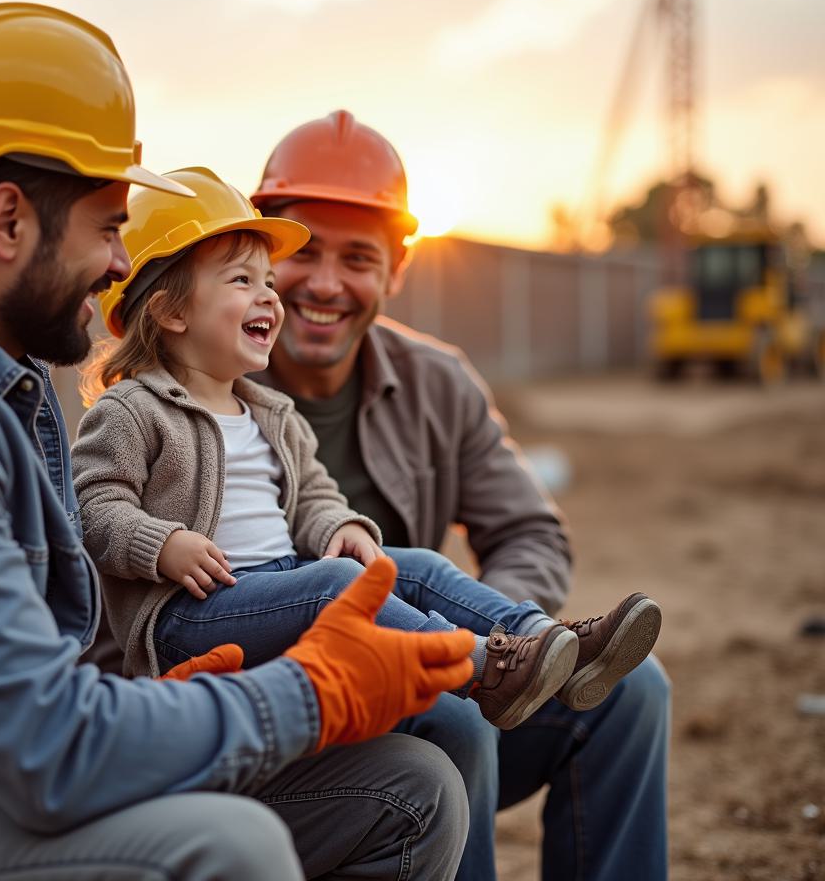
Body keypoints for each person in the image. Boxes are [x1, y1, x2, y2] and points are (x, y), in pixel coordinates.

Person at [0, 0, 481, 881]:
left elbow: (35, 681)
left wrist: (165, 709)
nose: (123, 264)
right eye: (109, 226)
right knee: (225, 848)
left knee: (410, 789)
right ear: (9, 222)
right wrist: (311, 693)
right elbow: (51, 753)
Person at [73, 168, 659, 738]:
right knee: (335, 585)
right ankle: (483, 670)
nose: (269, 298)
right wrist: (160, 544)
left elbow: (315, 494)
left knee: (410, 567)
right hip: (192, 621)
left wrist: (339, 525)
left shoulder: (270, 413)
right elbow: (91, 504)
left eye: (267, 281)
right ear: (171, 312)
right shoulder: (132, 410)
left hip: (285, 588)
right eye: (242, 282)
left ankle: (539, 640)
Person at [251, 112, 672, 881]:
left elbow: (530, 530)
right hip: (283, 726)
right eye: (302, 250)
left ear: (397, 268)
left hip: (433, 689)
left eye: (358, 258)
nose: (324, 283)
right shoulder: (200, 390)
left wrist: (487, 655)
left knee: (630, 690)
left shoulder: (438, 383)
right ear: (259, 249)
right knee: (447, 721)